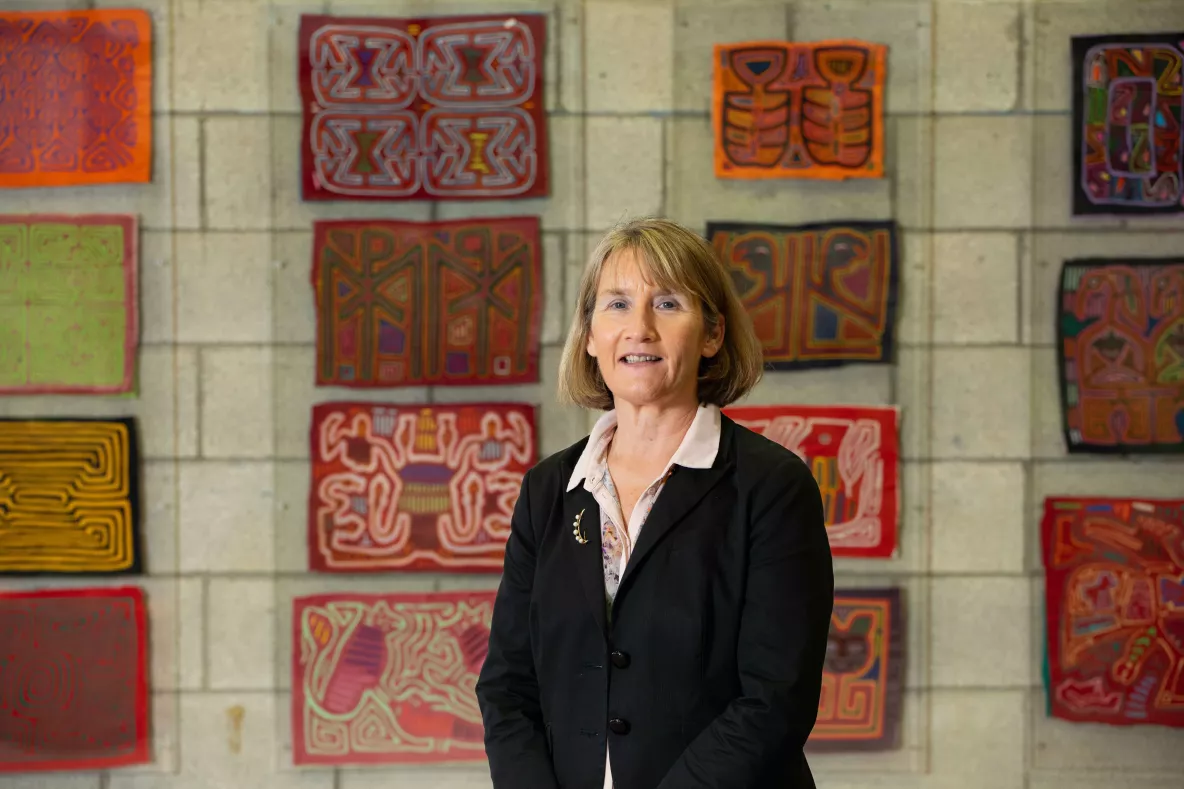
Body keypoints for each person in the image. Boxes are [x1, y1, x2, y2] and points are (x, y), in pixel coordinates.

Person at [475, 217, 834, 789]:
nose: (638, 328)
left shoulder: (771, 486)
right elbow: (508, 686)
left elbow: (775, 698)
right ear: (590, 336)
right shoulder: (549, 490)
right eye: (616, 305)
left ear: (712, 335)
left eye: (667, 304)